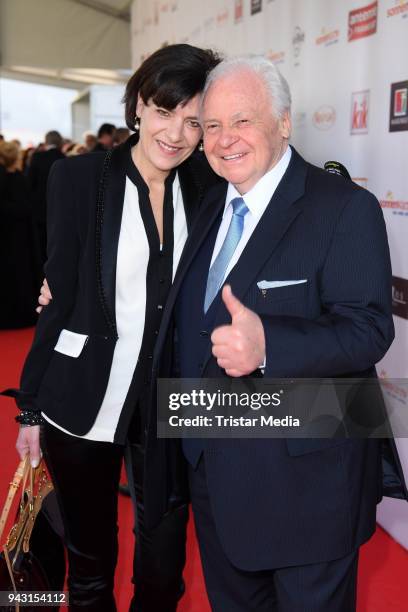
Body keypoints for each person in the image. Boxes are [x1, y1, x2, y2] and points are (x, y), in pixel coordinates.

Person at [150, 56, 408, 611]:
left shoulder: (343, 208)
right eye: (212, 126)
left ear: (284, 123)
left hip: (307, 490)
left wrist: (270, 346)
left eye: (242, 121)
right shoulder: (207, 204)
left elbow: (369, 329)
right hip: (212, 475)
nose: (224, 141)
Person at [10, 44, 220, 612]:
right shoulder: (78, 179)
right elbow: (57, 300)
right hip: (82, 396)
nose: (176, 132)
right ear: (137, 107)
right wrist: (29, 406)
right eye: (163, 110)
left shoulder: (209, 189)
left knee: (163, 568)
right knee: (90, 568)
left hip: (169, 402)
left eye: (194, 121)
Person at [0, 141, 41, 328]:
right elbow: (26, 208)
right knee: (20, 275)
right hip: (19, 238)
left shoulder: (11, 179)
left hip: (10, 236)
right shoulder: (17, 178)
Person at [28, 130, 65, 263]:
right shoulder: (64, 157)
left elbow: (30, 182)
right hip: (60, 208)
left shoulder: (38, 157)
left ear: (46, 141)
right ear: (60, 142)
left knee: (41, 243)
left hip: (39, 208)